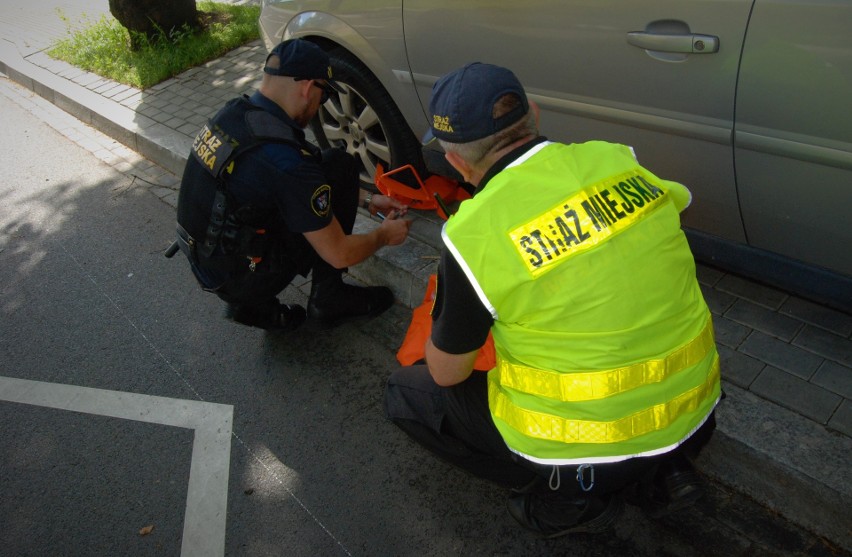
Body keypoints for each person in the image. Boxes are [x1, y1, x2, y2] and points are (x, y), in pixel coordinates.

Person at [384, 63, 721, 538]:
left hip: (593, 450)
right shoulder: (617, 159)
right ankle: (661, 472)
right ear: (534, 114)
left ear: (456, 161)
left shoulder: (474, 233)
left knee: (406, 393)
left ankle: (569, 497)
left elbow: (447, 372)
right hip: (697, 409)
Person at [175, 39, 411, 331]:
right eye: (323, 96)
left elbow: (286, 182)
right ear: (308, 87)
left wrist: (366, 200)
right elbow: (339, 252)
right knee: (337, 169)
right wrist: (384, 236)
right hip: (239, 275)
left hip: (207, 260)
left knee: (333, 165)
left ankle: (256, 307)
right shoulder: (286, 162)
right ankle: (328, 299)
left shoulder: (235, 114)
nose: (319, 105)